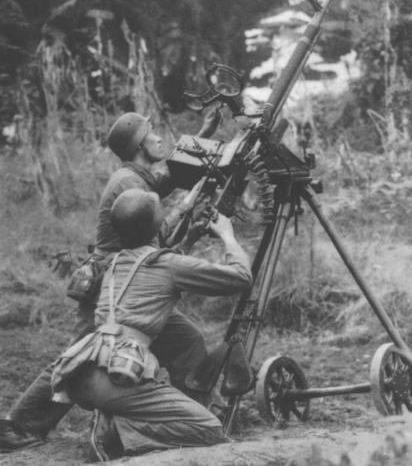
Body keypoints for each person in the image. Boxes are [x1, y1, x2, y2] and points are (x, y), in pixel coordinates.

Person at [0, 110, 220, 453]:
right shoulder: (127, 183)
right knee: (76, 357)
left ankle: (186, 415)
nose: (160, 137)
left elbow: (168, 178)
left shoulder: (136, 174)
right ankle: (20, 426)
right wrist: (186, 209)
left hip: (131, 277)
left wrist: (203, 134)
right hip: (112, 285)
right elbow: (158, 231)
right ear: (139, 145)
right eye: (153, 134)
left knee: (186, 340)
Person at [50, 188, 252, 460]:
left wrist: (190, 237)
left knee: (186, 339)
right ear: (157, 226)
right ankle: (116, 430)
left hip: (82, 373)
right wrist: (228, 236)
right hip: (118, 378)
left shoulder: (115, 262)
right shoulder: (167, 265)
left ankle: (112, 417)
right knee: (208, 428)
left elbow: (155, 268)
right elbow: (241, 277)